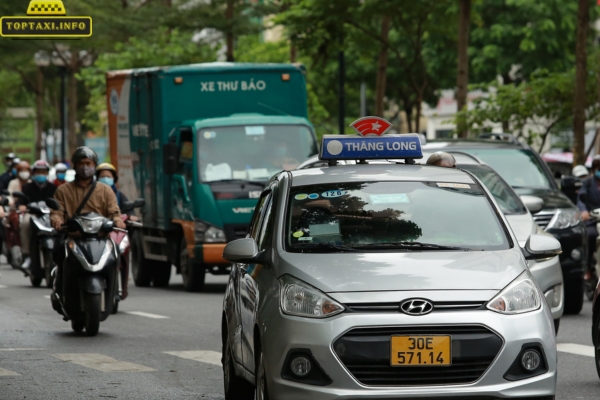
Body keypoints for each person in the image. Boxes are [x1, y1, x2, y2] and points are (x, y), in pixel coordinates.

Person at [50, 147, 126, 294]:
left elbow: (114, 211)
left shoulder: (106, 190)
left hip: (100, 238)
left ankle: (114, 290)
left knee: (116, 251)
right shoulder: (63, 190)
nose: (85, 167)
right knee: (59, 249)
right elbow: (57, 211)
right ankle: (59, 286)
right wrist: (57, 220)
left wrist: (118, 221)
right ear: (74, 165)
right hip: (74, 236)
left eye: (88, 163)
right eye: (81, 163)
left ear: (94, 165)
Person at [18, 160, 57, 272]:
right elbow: (21, 201)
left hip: (49, 214)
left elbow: (58, 203)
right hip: (33, 214)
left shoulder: (53, 188)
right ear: (34, 173)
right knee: (25, 223)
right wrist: (21, 206)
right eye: (38, 172)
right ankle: (27, 255)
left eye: (43, 172)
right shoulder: (27, 187)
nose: (41, 174)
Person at [576, 156, 600, 279]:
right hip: (592, 220)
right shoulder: (588, 182)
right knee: (591, 236)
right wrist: (584, 211)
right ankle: (588, 268)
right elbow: (580, 199)